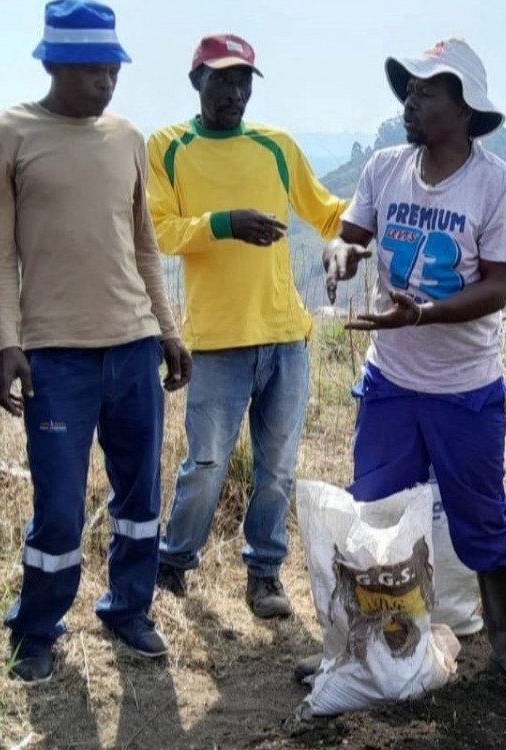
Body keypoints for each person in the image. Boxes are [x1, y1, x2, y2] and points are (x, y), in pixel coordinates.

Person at [313, 38, 506, 687]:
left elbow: (497, 287)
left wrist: (418, 314)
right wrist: (340, 255)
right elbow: (351, 237)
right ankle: (372, 643)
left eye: (425, 93)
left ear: (465, 109)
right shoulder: (386, 169)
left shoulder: (498, 185)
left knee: (481, 518)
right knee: (377, 513)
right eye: (409, 90)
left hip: (463, 390)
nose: (409, 103)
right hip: (391, 380)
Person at [0, 0, 191, 683]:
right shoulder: (7, 134)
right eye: (96, 68)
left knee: (139, 497)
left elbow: (145, 246)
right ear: (56, 64)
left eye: (114, 68)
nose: (109, 81)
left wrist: (167, 328)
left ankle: (129, 610)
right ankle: (36, 627)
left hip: (131, 348)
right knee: (61, 507)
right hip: (54, 358)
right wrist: (8, 342)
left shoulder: (128, 137)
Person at [146, 34, 348, 619]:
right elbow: (157, 229)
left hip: (285, 338)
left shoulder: (276, 146)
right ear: (196, 82)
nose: (234, 92)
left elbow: (328, 212)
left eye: (244, 81)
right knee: (205, 462)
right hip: (216, 342)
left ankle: (263, 573)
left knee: (278, 467)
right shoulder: (168, 147)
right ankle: (175, 560)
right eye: (221, 79)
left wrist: (388, 194)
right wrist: (224, 223)